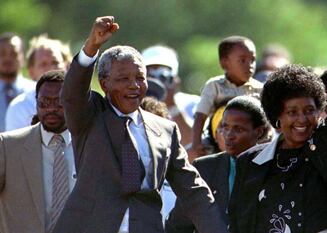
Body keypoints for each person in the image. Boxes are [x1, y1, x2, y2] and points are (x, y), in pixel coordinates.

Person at [53, 16, 227, 233]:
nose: (134, 86)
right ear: (105, 84)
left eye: (140, 78)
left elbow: (192, 189)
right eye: (124, 79)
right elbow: (72, 93)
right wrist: (91, 47)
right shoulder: (90, 116)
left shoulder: (164, 129)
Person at [229, 5, 327, 233]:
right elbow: (240, 222)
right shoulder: (250, 162)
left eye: (309, 110)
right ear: (277, 116)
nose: (302, 119)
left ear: (320, 110)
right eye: (292, 112)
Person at [166, 96, 269, 233]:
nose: (229, 135)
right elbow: (177, 225)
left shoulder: (274, 168)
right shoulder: (205, 168)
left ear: (259, 132)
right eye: (225, 127)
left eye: (238, 129)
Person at [0, 70, 76, 233]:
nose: (51, 109)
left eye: (58, 103)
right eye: (44, 103)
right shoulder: (8, 146)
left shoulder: (89, 144)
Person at [192, 36, 263, 159]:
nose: (250, 65)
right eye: (242, 60)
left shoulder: (259, 89)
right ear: (225, 63)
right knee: (192, 154)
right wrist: (196, 143)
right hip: (218, 142)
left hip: (253, 142)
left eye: (253, 60)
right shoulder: (215, 86)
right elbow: (200, 116)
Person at [5, 34, 70, 131]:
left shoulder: (80, 101)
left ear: (67, 66)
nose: (51, 69)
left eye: (55, 62)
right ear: (31, 72)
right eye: (43, 64)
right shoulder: (19, 108)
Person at [142, 45, 200, 146]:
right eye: (151, 75)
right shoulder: (131, 104)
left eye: (162, 75)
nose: (157, 81)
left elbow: (194, 145)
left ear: (175, 78)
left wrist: (171, 105)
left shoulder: (192, 103)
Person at [0, 32, 35, 132]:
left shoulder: (35, 91)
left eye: (13, 54)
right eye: (2, 54)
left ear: (23, 58)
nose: (7, 59)